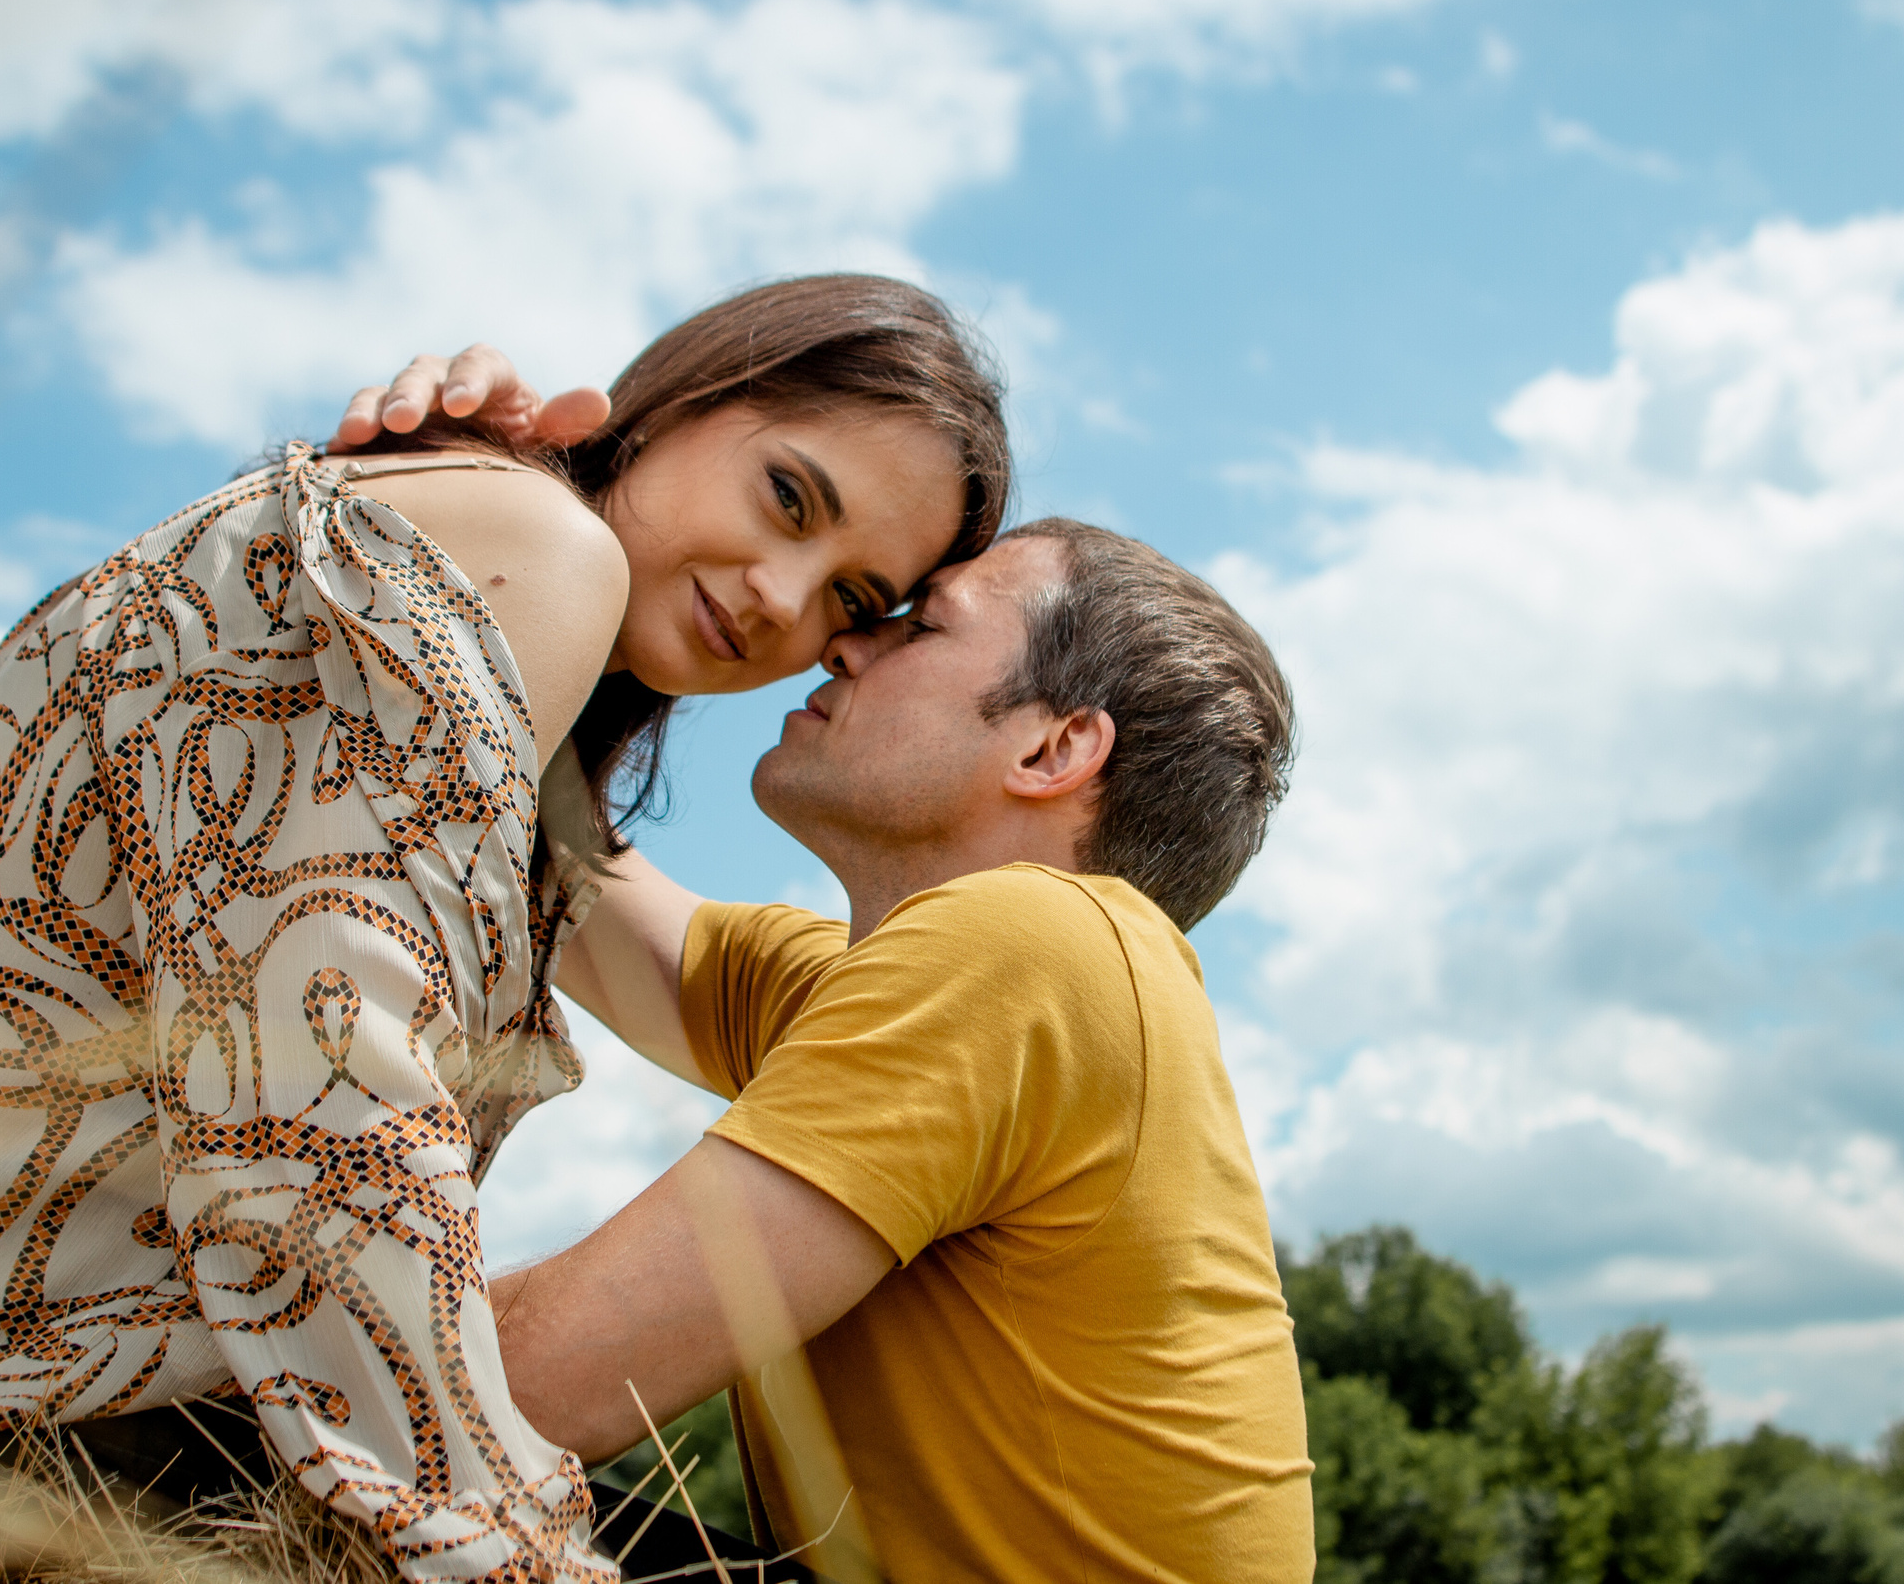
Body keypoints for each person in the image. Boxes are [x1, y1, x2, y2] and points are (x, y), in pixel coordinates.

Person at [0, 276, 1012, 1584]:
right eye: (789, 496)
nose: (785, 598)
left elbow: (681, 982)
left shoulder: (473, 596)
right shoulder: (542, 550)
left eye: (850, 596)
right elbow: (316, 1114)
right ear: (679, 399)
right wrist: (513, 1545)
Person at [337, 350, 1312, 1579]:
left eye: (915, 625)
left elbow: (518, 1387)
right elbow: (559, 863)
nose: (839, 649)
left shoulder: (1038, 949)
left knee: (244, 1407)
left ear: (1054, 747)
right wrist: (496, 515)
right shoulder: (872, 988)